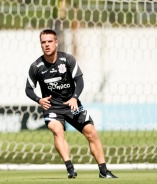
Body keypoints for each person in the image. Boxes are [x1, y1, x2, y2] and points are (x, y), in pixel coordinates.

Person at [25, 29, 118, 179]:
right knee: (56, 129)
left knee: (91, 133)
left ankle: (104, 171)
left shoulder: (67, 59)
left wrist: (75, 97)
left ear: (56, 42)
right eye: (43, 42)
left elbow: (79, 81)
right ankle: (70, 168)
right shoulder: (36, 66)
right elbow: (29, 89)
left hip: (71, 104)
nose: (47, 45)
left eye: (50, 41)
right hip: (53, 107)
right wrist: (38, 99)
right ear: (41, 44)